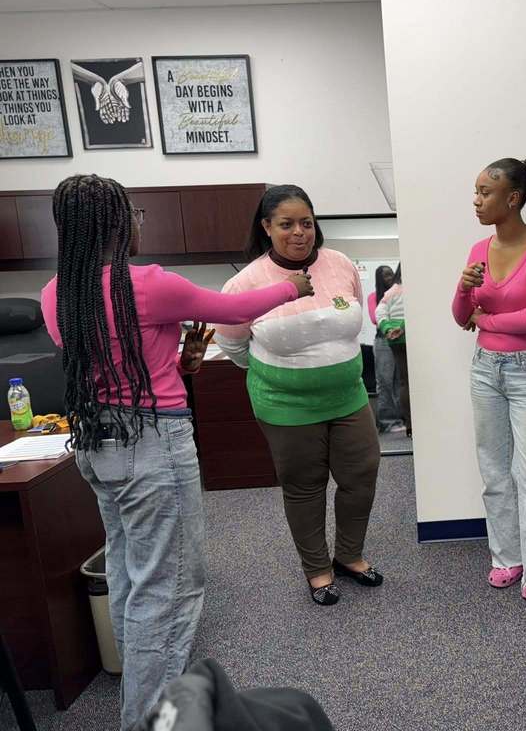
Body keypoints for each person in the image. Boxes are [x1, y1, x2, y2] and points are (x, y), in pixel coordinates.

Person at [40, 174, 311, 731]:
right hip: (152, 445)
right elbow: (235, 309)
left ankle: (138, 699)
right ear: (119, 224)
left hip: (98, 445)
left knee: (129, 575)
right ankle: (150, 722)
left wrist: (175, 358)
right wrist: (294, 287)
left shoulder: (55, 293)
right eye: (133, 215)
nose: (139, 224)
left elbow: (116, 360)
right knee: (169, 591)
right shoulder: (147, 284)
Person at [214, 185, 384, 606]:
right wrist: (284, 376)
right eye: (287, 224)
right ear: (266, 227)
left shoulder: (340, 264)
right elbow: (233, 344)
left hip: (349, 395)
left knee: (361, 473)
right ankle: (318, 569)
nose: (299, 232)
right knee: (305, 485)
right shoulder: (245, 282)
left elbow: (351, 318)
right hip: (285, 404)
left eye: (306, 223)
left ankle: (350, 555)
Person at [451, 158, 526, 602]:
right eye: (475, 192)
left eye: (485, 192)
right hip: (485, 371)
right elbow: (461, 317)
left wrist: (484, 317)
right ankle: (507, 558)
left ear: (512, 199)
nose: (476, 201)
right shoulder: (479, 250)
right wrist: (464, 291)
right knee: (495, 472)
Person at [375, 263, 411, 436]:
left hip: (394, 339)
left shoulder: (390, 292)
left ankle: (409, 425)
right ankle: (415, 422)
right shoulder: (414, 288)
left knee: (404, 382)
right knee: (414, 381)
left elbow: (380, 312)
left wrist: (388, 328)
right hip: (409, 336)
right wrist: (403, 327)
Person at [367, 264, 403, 433]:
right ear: (379, 279)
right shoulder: (375, 296)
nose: (389, 278)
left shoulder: (399, 293)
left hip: (398, 339)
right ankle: (388, 421)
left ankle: (401, 418)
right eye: (386, 276)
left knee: (399, 381)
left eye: (391, 274)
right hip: (383, 342)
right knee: (385, 381)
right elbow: (376, 319)